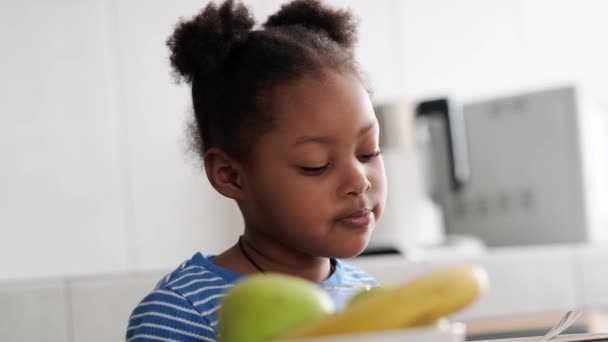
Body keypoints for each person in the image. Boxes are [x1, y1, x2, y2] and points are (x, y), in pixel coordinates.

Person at [126, 0, 387, 340]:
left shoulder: (368, 299)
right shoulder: (185, 310)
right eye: (316, 165)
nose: (359, 181)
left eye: (369, 152)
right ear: (231, 175)